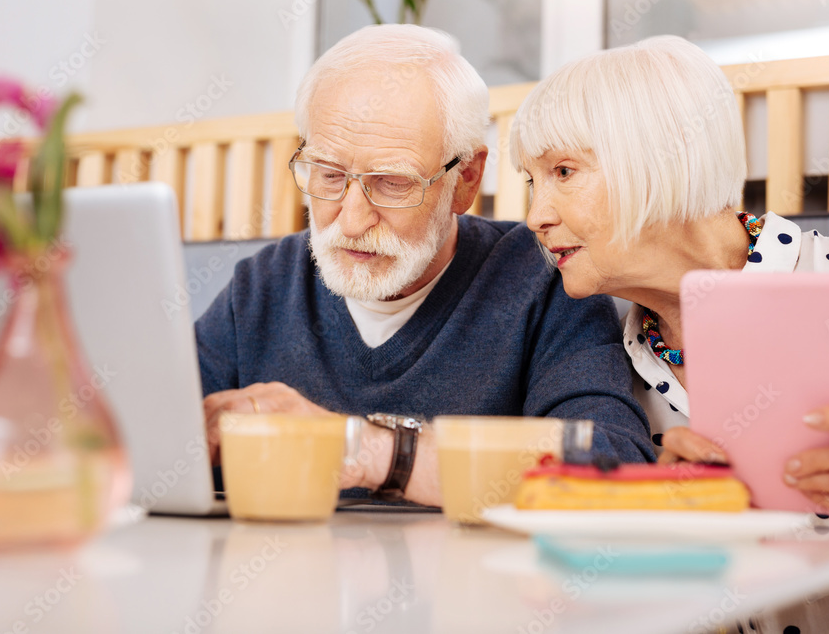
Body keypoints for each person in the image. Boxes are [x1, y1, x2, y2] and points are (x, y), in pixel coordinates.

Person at [512, 35, 829, 631]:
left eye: (563, 171)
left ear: (665, 159)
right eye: (531, 181)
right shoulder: (602, 358)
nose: (536, 214)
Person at [195, 25, 653, 508]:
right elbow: (150, 435)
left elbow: (613, 465)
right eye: (328, 175)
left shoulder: (545, 278)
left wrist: (366, 449)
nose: (351, 220)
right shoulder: (262, 284)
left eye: (392, 183)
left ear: (465, 180)